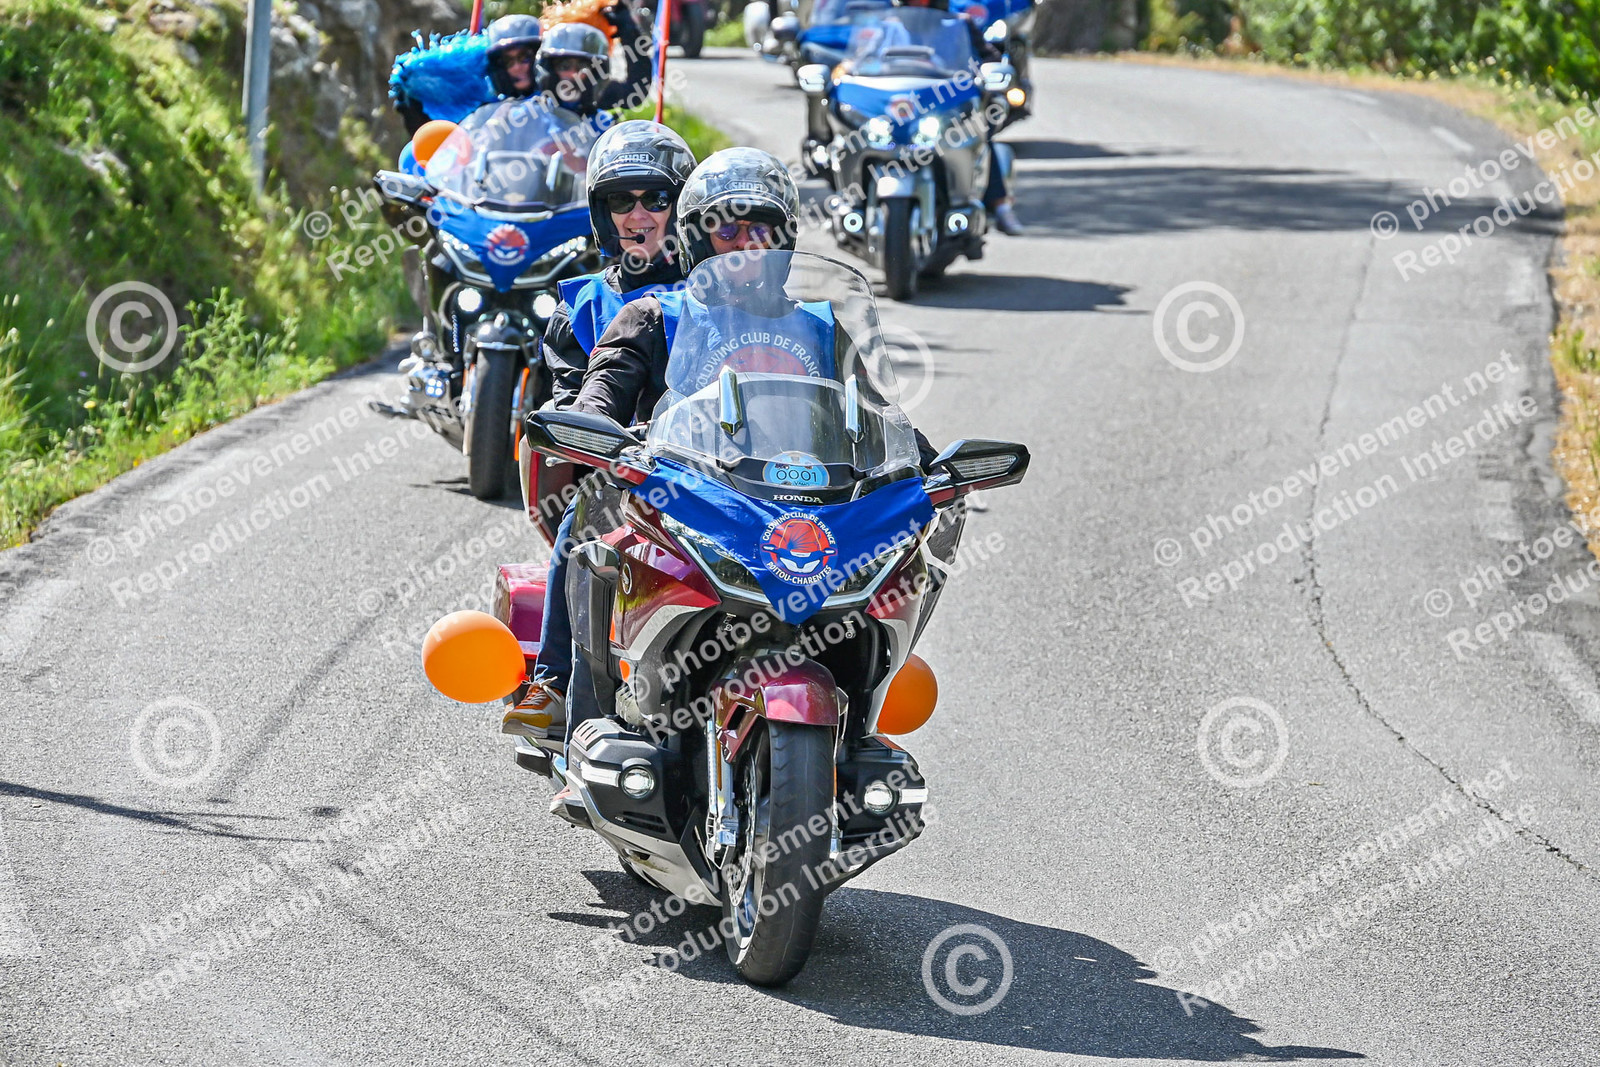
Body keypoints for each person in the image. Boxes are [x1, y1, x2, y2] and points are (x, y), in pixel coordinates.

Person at [549, 148, 942, 774]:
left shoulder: (823, 326)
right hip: (686, 504)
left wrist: (931, 463)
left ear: (783, 239)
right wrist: (595, 427)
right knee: (594, 537)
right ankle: (584, 726)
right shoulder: (653, 316)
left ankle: (858, 726)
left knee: (910, 542)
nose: (742, 247)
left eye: (758, 231)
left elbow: (877, 412)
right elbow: (600, 396)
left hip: (804, 512)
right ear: (697, 238)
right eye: (725, 231)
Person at [505, 120, 697, 742]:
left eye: (656, 198)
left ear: (683, 206)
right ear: (601, 213)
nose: (638, 215)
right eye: (620, 200)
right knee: (585, 515)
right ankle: (557, 683)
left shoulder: (720, 289)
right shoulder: (581, 305)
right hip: (626, 471)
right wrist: (599, 432)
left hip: (722, 468)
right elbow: (569, 399)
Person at [896, 0, 1022, 235]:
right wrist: (848, 66)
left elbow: (990, 58)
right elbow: (862, 58)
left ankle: (1000, 205)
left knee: (979, 134)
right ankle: (849, 200)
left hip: (948, 106)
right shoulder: (888, 26)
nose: (917, 2)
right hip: (900, 108)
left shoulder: (959, 25)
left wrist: (983, 73)